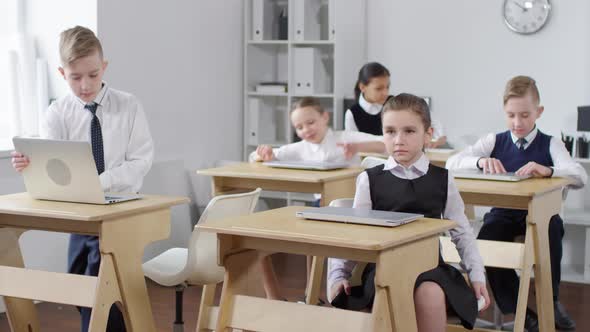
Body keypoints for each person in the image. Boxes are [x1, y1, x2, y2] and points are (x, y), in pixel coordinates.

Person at [11, 26, 154, 332]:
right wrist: (29, 164)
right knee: (78, 279)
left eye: (92, 74)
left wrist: (98, 182)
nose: (85, 85)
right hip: (80, 210)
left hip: (120, 207)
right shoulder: (57, 114)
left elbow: (141, 161)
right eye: (76, 77)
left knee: (97, 277)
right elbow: (52, 165)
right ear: (62, 73)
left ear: (104, 66)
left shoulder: (128, 106)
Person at [328, 93, 489, 332]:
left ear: (428, 134)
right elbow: (355, 234)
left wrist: (477, 276)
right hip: (384, 269)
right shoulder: (369, 180)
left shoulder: (443, 179)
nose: (398, 140)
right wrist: (337, 275)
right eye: (390, 131)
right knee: (388, 288)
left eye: (409, 131)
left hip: (431, 268)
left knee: (429, 292)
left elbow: (462, 233)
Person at [446, 75, 587, 332]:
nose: (517, 122)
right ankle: (521, 312)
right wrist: (479, 162)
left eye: (524, 115)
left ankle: (551, 301)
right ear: (504, 112)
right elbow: (451, 163)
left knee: (551, 228)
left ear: (539, 112)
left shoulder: (551, 143)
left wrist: (548, 169)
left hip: (540, 215)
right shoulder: (493, 141)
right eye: (511, 115)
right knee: (487, 239)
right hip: (503, 214)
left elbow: (580, 176)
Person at [251, 96, 385, 301]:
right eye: (299, 127)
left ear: (325, 117)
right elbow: (258, 156)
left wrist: (358, 147)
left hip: (352, 207)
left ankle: (321, 289)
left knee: (317, 220)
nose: (306, 130)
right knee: (308, 225)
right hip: (321, 206)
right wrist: (265, 154)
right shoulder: (302, 147)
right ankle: (310, 294)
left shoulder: (344, 137)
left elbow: (385, 142)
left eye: (311, 122)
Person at [344, 62, 390, 135]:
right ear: (362, 87)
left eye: (387, 87)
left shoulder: (393, 105)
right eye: (379, 88)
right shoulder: (352, 114)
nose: (385, 93)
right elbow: (353, 144)